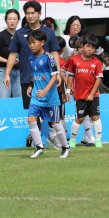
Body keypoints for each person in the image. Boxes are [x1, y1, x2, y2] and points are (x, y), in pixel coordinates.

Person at [4, 1, 61, 147]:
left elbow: (54, 52)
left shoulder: (48, 32)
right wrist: (7, 74)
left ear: (39, 14)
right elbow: (12, 54)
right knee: (32, 111)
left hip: (47, 79)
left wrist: (58, 73)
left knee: (49, 111)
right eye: (27, 13)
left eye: (33, 13)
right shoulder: (19, 33)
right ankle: (39, 144)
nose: (30, 16)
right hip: (27, 79)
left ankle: (53, 136)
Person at [25, 30, 71, 159]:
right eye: (29, 43)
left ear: (42, 42)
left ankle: (66, 147)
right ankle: (40, 146)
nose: (31, 45)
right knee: (31, 120)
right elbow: (35, 75)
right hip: (36, 96)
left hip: (50, 98)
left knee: (55, 124)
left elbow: (55, 77)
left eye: (34, 42)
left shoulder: (49, 58)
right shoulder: (31, 58)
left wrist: (45, 90)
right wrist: (30, 85)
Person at [65, 35, 104, 149]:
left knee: (95, 116)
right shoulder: (74, 60)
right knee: (79, 118)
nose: (89, 49)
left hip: (94, 95)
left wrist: (92, 94)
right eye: (87, 46)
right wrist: (68, 91)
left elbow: (98, 79)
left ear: (95, 49)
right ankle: (72, 140)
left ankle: (98, 140)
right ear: (82, 46)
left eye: (92, 48)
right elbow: (70, 76)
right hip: (79, 95)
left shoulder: (97, 62)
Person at [0, 9, 21, 99]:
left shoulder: (21, 35)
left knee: (19, 103)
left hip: (19, 72)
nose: (12, 21)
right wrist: (9, 61)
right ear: (5, 20)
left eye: (14, 19)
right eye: (9, 19)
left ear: (18, 20)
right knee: (2, 101)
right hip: (3, 71)